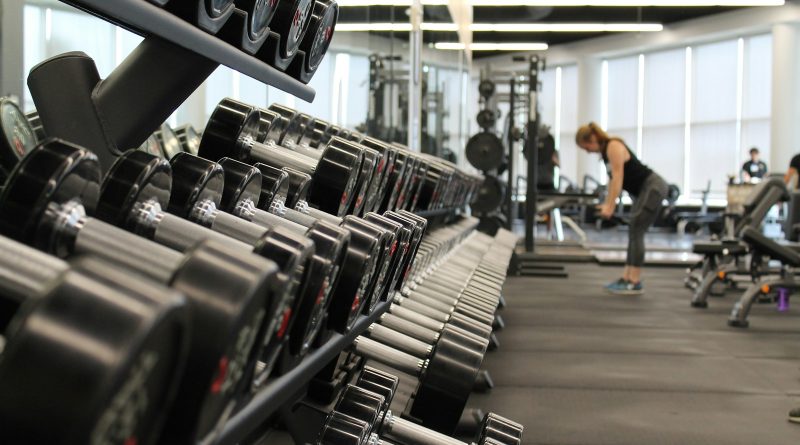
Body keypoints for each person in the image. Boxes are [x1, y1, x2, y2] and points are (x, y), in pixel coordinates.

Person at [575, 122, 669, 295]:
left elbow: (618, 178)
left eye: (586, 146)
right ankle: (627, 277)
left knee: (637, 229)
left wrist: (610, 207)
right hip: (643, 191)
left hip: (653, 187)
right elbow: (612, 181)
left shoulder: (613, 145)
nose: (587, 151)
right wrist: (607, 204)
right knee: (634, 229)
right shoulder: (606, 154)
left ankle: (634, 280)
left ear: (592, 138)